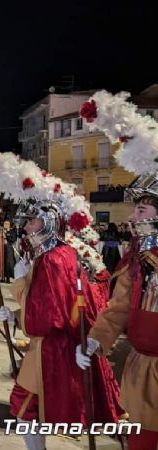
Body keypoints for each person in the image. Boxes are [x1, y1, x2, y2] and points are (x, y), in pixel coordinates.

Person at [0, 199, 124, 450]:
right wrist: (15, 315)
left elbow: (42, 318)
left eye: (31, 222)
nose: (25, 228)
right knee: (28, 409)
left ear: (48, 223)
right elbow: (50, 306)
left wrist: (20, 283)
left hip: (51, 351)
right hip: (51, 347)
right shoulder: (59, 254)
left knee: (25, 409)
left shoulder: (53, 259)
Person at [76, 188, 158, 449]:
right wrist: (96, 339)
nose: (133, 217)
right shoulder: (136, 262)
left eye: (141, 211)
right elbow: (119, 307)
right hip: (141, 368)